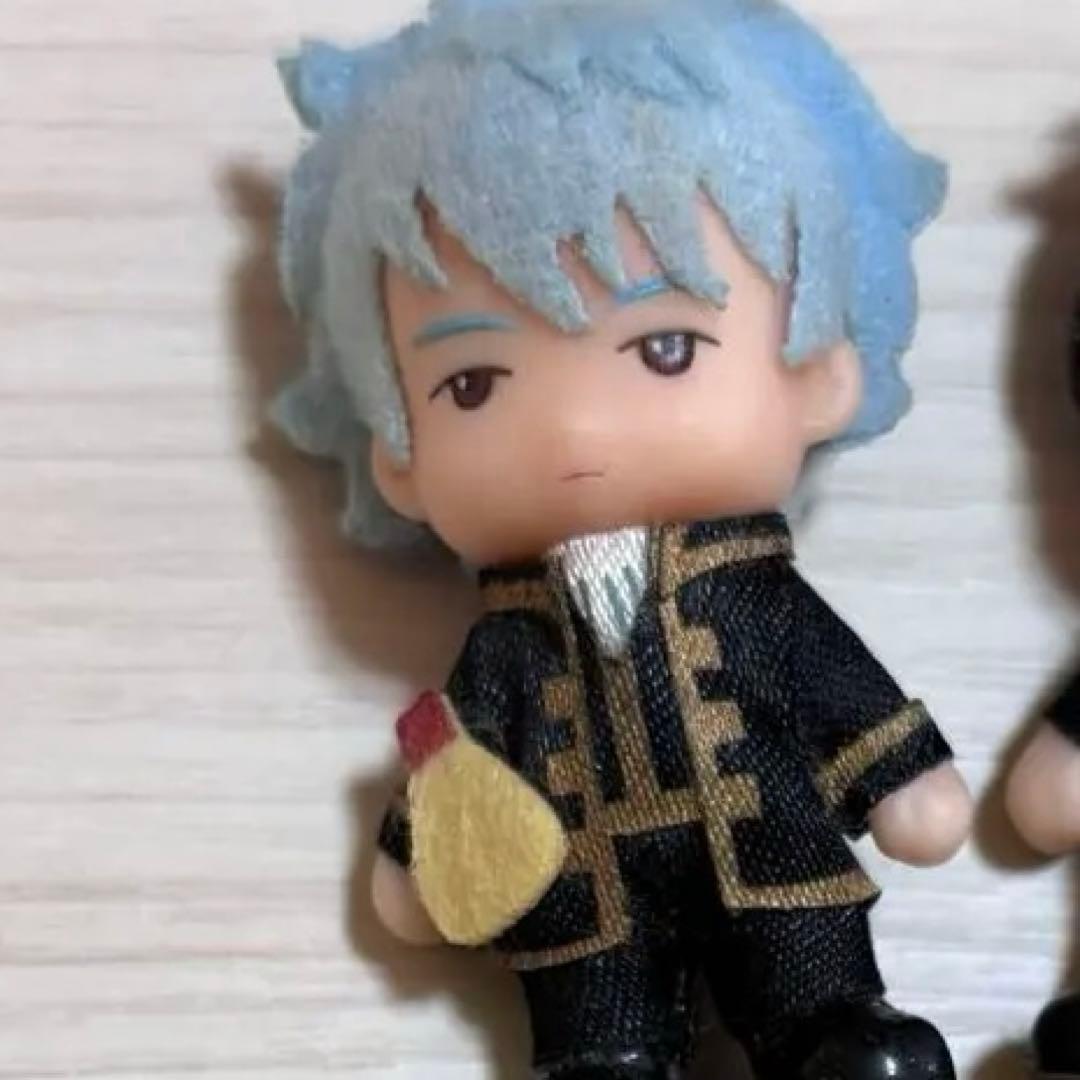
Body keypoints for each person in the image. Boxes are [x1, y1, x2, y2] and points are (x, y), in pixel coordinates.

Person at [274, 1, 972, 1076]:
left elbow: (825, 672)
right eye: (474, 382)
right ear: (398, 457)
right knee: (595, 1017)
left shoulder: (752, 597)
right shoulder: (510, 642)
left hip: (771, 858)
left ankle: (827, 1026)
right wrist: (421, 850)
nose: (575, 432)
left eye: (665, 350)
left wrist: (899, 775)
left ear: (818, 371)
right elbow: (463, 750)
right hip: (584, 898)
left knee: (815, 987)